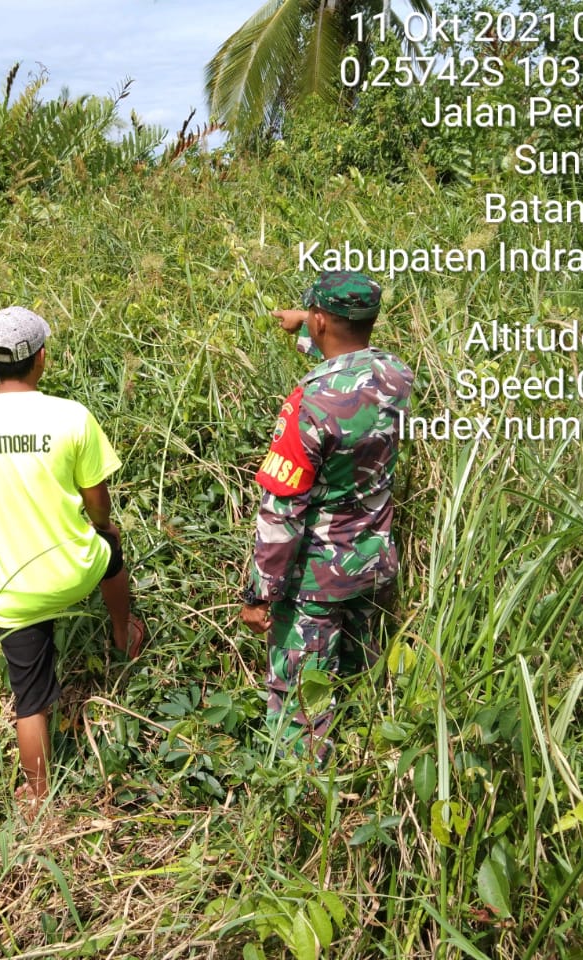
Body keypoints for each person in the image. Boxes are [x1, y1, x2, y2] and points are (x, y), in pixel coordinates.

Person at [0, 306, 144, 809]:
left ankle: (38, 794)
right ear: (41, 358)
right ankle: (121, 632)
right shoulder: (72, 416)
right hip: (77, 568)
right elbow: (97, 498)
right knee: (111, 552)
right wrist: (102, 526)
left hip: (16, 591)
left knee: (31, 700)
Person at [239, 270, 413, 764]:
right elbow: (350, 367)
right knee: (362, 686)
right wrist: (306, 330)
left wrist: (258, 594)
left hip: (316, 581)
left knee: (302, 709)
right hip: (373, 565)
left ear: (320, 318)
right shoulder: (396, 375)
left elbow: (282, 514)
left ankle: (304, 801)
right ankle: (368, 772)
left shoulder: (307, 404)